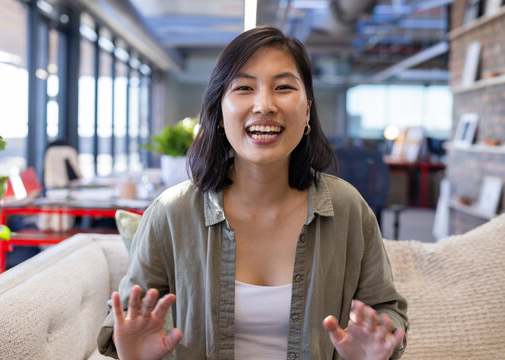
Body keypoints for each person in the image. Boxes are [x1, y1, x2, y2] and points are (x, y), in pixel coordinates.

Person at [98, 26, 408, 360]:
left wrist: (379, 339)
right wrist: (133, 353)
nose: (265, 104)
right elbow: (131, 319)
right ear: (219, 112)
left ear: (307, 111)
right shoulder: (171, 213)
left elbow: (387, 310)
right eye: (244, 87)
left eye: (284, 87)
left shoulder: (347, 208)